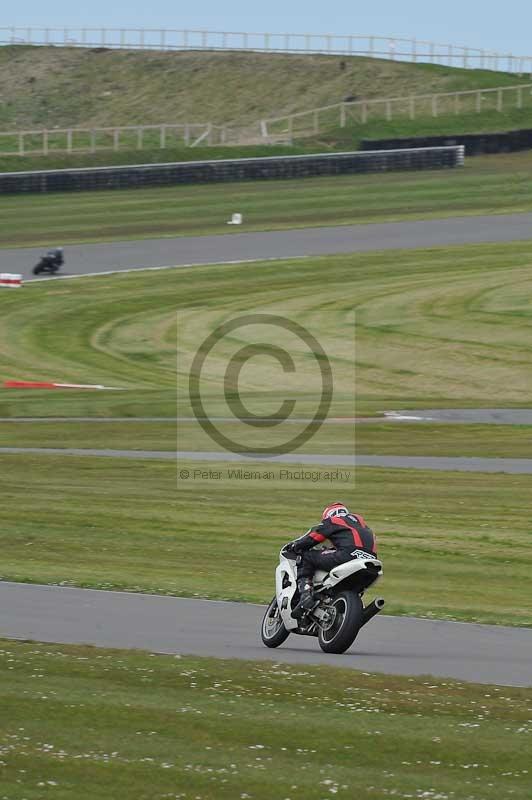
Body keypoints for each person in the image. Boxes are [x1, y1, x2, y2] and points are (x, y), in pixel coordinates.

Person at [284, 502, 377, 619]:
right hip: (371, 562)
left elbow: (314, 537)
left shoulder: (334, 520)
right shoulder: (363, 525)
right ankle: (351, 609)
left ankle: (305, 595)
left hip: (348, 555)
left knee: (307, 556)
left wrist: (296, 546)